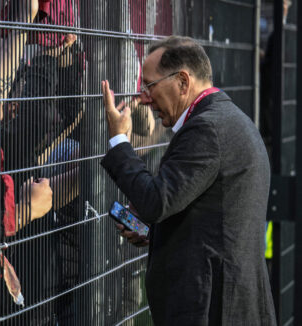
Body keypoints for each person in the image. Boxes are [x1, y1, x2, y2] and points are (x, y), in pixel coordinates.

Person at [100, 36, 276, 325]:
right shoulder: (224, 119)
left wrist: (119, 140)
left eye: (149, 85)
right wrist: (153, 232)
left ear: (182, 81)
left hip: (214, 311)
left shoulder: (207, 129)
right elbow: (209, 221)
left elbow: (156, 202)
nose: (143, 97)